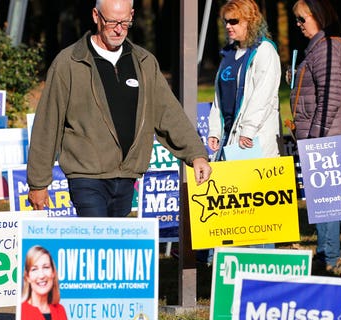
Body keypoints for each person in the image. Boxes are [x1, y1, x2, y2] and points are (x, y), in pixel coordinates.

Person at [27, 0, 212, 217]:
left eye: (125, 22)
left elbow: (168, 113)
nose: (118, 29)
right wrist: (38, 183)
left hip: (127, 175)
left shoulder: (144, 62)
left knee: (115, 247)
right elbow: (48, 123)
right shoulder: (69, 62)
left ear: (132, 15)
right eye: (112, 22)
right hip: (86, 176)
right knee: (98, 242)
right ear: (96, 16)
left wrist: (196, 154)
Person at [289, 0, 341, 275]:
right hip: (323, 134)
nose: (298, 24)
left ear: (318, 17)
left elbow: (330, 99)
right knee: (323, 199)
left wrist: (316, 140)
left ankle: (330, 256)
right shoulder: (318, 48)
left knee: (327, 198)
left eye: (303, 19)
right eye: (296, 19)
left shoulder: (328, 48)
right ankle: (327, 252)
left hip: (327, 137)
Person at [207, 0, 281, 162]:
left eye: (234, 21)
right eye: (226, 21)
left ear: (250, 21)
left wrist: (248, 130)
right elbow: (219, 98)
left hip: (252, 137)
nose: (228, 26)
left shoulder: (264, 51)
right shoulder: (228, 54)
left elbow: (263, 95)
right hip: (228, 135)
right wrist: (215, 131)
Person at [21, 245, 67, 320]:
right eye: (34, 269)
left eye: (46, 267)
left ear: (53, 272)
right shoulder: (21, 312)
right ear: (27, 277)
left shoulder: (60, 310)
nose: (41, 275)